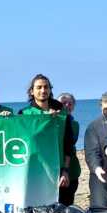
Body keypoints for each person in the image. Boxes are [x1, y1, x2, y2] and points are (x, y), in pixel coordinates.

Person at [17, 74, 77, 204]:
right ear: (32, 91)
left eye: (46, 87)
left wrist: (65, 171)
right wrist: (44, 121)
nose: (43, 90)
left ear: (50, 90)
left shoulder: (61, 112)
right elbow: (20, 144)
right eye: (39, 87)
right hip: (35, 172)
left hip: (59, 172)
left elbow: (68, 144)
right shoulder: (24, 114)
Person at [84, 92, 107, 208]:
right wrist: (97, 168)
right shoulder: (93, 127)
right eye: (106, 108)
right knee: (101, 207)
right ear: (101, 108)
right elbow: (91, 152)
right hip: (100, 173)